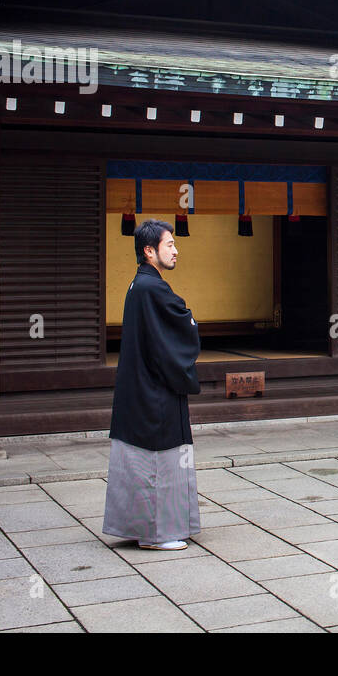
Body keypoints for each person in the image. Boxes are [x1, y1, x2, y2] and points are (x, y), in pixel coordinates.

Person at [102, 219, 203, 550]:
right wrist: (191, 323)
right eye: (169, 244)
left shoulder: (138, 286)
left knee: (140, 461)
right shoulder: (153, 288)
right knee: (160, 461)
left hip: (138, 387)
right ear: (149, 251)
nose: (176, 250)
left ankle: (141, 527)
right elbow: (181, 326)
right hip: (155, 390)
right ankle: (157, 534)